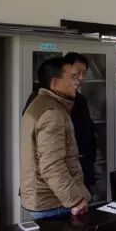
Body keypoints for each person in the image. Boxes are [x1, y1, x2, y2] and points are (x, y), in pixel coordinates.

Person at [20, 57, 90, 219]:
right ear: (54, 83)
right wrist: (75, 200)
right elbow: (52, 166)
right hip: (54, 203)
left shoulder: (39, 103)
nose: (77, 82)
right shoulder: (52, 113)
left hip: (45, 199)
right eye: (72, 77)